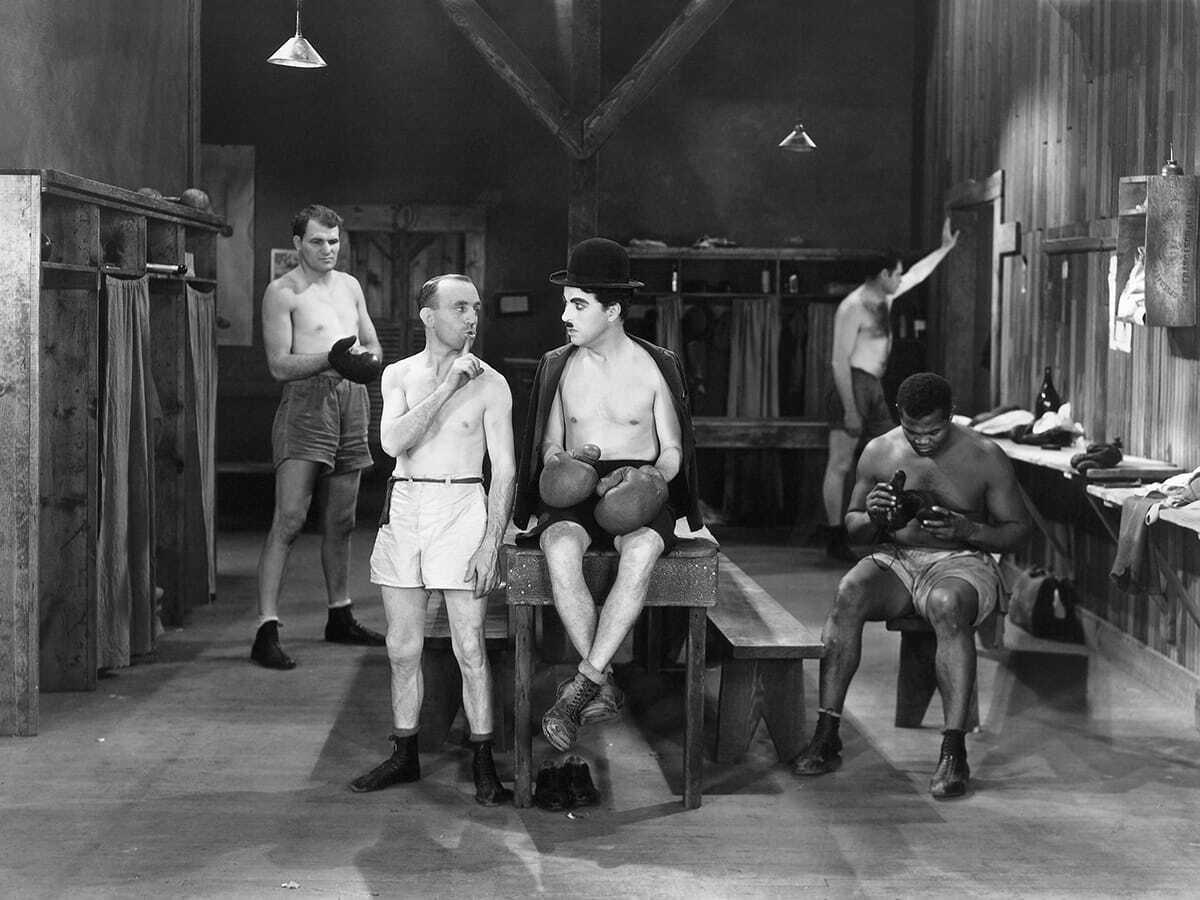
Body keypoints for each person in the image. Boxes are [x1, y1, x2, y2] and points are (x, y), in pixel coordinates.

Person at [794, 372, 1030, 799]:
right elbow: (853, 529)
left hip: (962, 561)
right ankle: (826, 733)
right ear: (898, 415)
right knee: (849, 592)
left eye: (933, 431)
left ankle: (953, 751)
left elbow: (1017, 531)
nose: (922, 440)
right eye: (912, 430)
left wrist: (968, 529)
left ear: (951, 414)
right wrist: (873, 515)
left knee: (946, 603)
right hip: (899, 558)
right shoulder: (879, 451)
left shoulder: (984, 456)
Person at [513, 237, 704, 754]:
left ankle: (582, 686)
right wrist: (562, 463)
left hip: (638, 484)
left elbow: (673, 450)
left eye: (578, 305)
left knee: (640, 551)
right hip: (577, 482)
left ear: (613, 310)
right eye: (566, 304)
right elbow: (549, 443)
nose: (565, 316)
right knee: (559, 548)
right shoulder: (559, 365)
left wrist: (651, 481)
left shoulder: (655, 366)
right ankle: (601, 682)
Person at [348, 274, 515, 805]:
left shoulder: (493, 383)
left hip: (462, 503)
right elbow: (393, 442)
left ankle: (484, 760)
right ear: (428, 315)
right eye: (460, 307)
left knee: (470, 645)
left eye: (476, 308)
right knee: (402, 647)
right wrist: (446, 389)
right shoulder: (398, 374)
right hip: (406, 503)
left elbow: (506, 471)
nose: (472, 318)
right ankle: (405, 753)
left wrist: (491, 543)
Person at [251, 204, 387, 670]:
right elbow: (278, 364)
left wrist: (365, 363)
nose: (327, 249)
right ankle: (266, 628)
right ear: (297, 244)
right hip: (307, 402)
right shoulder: (282, 291)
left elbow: (372, 342)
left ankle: (340, 615)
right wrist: (330, 359)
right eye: (316, 241)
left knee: (342, 520)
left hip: (352, 399)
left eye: (333, 241)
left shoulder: (349, 285)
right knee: (289, 518)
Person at [822, 219, 960, 562]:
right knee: (840, 463)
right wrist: (850, 408)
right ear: (883, 274)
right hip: (852, 382)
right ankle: (834, 537)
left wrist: (944, 249)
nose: (900, 279)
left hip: (873, 384)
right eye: (896, 274)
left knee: (892, 455)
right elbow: (839, 360)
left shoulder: (886, 297)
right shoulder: (852, 307)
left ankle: (888, 526)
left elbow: (917, 275)